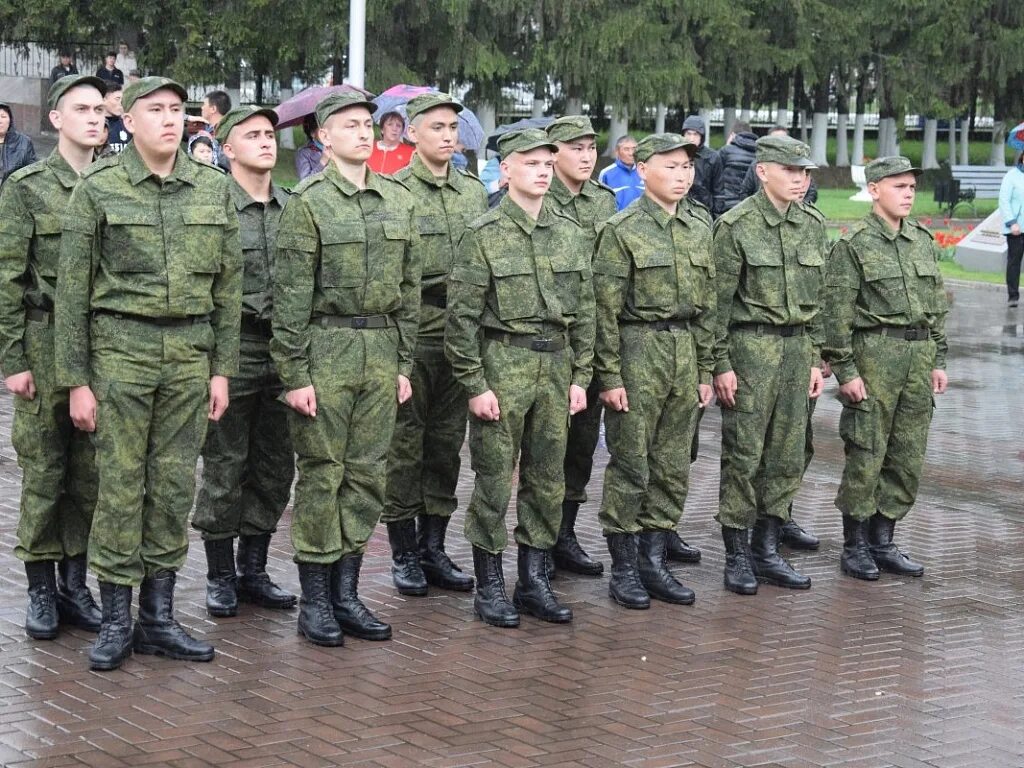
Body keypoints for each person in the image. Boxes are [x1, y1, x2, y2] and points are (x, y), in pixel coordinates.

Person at [55, 76, 242, 671]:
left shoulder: (213, 190)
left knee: (171, 487)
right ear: (127, 121)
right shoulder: (100, 191)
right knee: (118, 486)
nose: (169, 119)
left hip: (189, 356)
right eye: (154, 110)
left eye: (176, 111)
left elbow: (228, 291)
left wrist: (221, 371)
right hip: (120, 355)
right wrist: (76, 381)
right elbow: (72, 295)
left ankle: (157, 618)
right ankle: (115, 619)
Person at [271, 91, 420, 647]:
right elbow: (289, 299)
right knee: (321, 472)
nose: (363, 133)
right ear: (324, 139)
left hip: (380, 351)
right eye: (349, 126)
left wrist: (403, 361)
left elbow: (408, 291)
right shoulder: (308, 202)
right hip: (325, 350)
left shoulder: (398, 201)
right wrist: (294, 374)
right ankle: (315, 599)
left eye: (368, 124)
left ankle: (347, 592)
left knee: (366, 473)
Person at [445, 128, 595, 628]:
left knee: (548, 479)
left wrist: (580, 375)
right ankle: (489, 585)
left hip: (555, 367)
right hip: (502, 366)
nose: (542, 171)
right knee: (493, 480)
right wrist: (475, 384)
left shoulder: (571, 232)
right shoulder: (482, 234)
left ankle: (534, 581)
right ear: (505, 169)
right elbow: (461, 321)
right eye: (530, 163)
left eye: (547, 164)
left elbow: (587, 313)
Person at [0, 74, 107, 642]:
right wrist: (13, 358)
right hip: (43, 343)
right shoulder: (27, 188)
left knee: (90, 474)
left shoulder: (116, 186)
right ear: (56, 119)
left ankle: (75, 584)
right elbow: (6, 277)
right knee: (45, 470)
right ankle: (40, 588)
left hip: (103, 345)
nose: (94, 118)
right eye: (80, 109)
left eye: (100, 109)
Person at [593, 133, 716, 609]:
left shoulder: (700, 227)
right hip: (637, 349)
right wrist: (610, 376)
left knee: (672, 463)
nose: (682, 175)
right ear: (643, 170)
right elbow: (603, 311)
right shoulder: (621, 230)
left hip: (683, 350)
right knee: (631, 463)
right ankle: (624, 568)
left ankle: (654, 560)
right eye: (670, 166)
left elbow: (707, 307)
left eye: (687, 167)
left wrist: (705, 368)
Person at [192, 105, 297, 618]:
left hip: (284, 349)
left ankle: (253, 569)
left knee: (276, 465)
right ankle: (219, 574)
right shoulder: (211, 205)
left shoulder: (293, 206)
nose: (265, 142)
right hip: (231, 348)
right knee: (225, 463)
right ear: (227, 148)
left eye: (269, 134)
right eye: (251, 135)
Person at [381, 92, 487, 597]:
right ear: (412, 133)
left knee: (446, 445)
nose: (449, 135)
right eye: (438, 127)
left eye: (453, 127)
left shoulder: (471, 192)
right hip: (413, 333)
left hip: (460, 336)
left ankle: (434, 547)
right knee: (405, 448)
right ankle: (403, 552)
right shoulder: (394, 192)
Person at [823, 156, 949, 581]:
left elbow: (935, 308)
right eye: (899, 186)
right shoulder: (853, 244)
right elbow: (836, 314)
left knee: (906, 455)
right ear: (874, 189)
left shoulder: (922, 240)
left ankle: (884, 539)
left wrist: (939, 359)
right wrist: (846, 371)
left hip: (917, 360)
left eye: (912, 187)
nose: (909, 193)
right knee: (867, 452)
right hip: (874, 358)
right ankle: (855, 544)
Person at [712, 135, 827, 596]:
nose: (801, 180)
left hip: (798, 351)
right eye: (791, 171)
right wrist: (720, 364)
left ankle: (768, 547)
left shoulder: (813, 225)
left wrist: (817, 358)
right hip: (751, 349)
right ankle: (737, 554)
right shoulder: (735, 227)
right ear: (764, 172)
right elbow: (716, 306)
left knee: (788, 453)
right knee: (744, 455)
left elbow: (818, 301)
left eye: (805, 173)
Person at [543, 115, 616, 577]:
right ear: (553, 154)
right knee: (545, 449)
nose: (587, 155)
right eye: (576, 147)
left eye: (591, 147)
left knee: (582, 445)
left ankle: (565, 535)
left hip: (590, 342)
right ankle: (541, 541)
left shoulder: (605, 204)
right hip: (546, 341)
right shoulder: (535, 199)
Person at [740, 126, 819, 205]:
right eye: (775, 139)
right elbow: (745, 191)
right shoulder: (756, 165)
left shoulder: (799, 165)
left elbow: (811, 192)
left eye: (783, 138)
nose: (779, 142)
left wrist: (799, 207)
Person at [713, 120, 758, 216]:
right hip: (749, 205)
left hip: (726, 205)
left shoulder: (726, 151)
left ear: (733, 134)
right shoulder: (759, 153)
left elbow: (714, 173)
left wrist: (727, 144)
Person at [998, 151, 1024, 307]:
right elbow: (1004, 200)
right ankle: (1013, 296)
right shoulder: (1011, 176)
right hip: (1016, 228)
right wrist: (1012, 222)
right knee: (1014, 262)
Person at [681, 115, 721, 215]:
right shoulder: (677, 155)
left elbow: (719, 192)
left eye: (695, 134)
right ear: (683, 134)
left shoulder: (712, 157)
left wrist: (716, 216)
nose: (691, 138)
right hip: (681, 209)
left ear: (701, 136)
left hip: (705, 211)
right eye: (688, 134)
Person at [598, 135, 643, 210]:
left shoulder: (644, 172)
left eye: (634, 149)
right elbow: (600, 202)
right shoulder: (606, 173)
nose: (631, 153)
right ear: (617, 152)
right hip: (617, 220)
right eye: (626, 149)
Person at [0, 102, 38, 186]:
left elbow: (33, 172)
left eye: (3, 116)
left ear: (10, 120)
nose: (0, 121)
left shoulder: (23, 142)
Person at [201, 90, 232, 171]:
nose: (202, 107)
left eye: (204, 104)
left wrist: (211, 142)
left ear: (213, 109)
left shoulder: (229, 131)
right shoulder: (208, 129)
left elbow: (231, 161)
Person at [295, 113, 328, 180]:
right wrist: (322, 163)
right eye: (321, 130)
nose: (326, 133)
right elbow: (304, 182)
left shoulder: (338, 146)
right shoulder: (304, 153)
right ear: (312, 133)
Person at [102, 83, 131, 155]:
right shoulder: (95, 125)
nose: (121, 103)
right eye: (117, 99)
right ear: (104, 100)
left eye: (122, 99)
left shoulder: (127, 124)